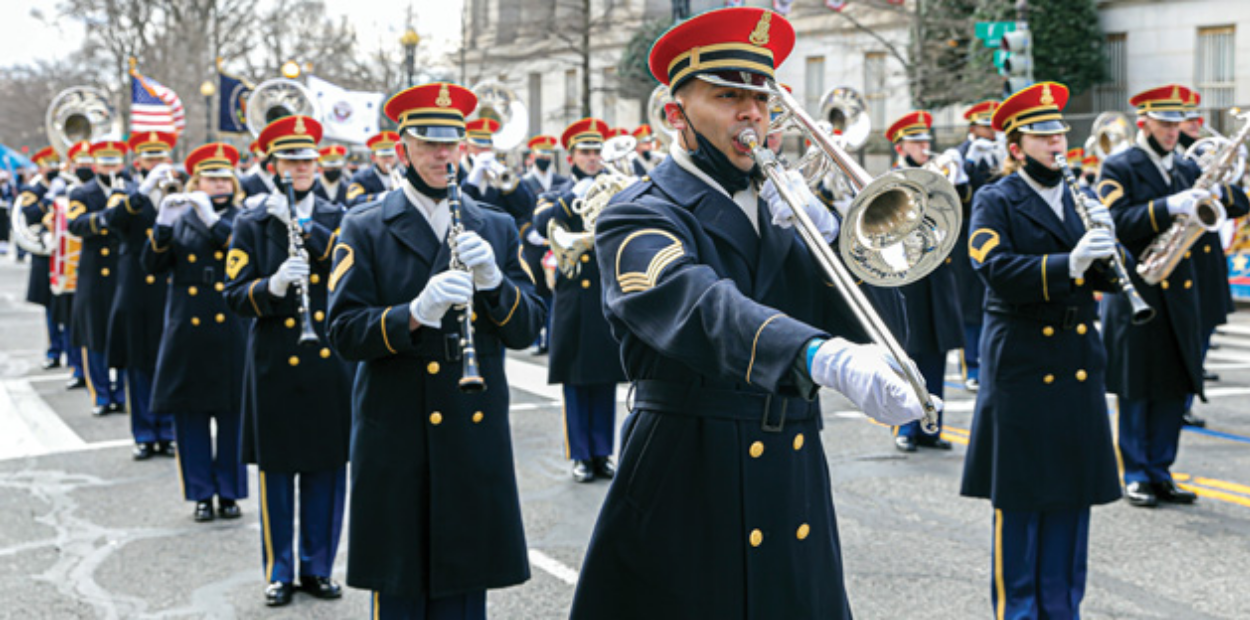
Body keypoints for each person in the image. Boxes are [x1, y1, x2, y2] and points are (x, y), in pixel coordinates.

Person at [570, 8, 927, 618]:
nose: (753, 115)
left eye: (762, 98)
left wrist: (838, 238)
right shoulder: (639, 213)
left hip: (791, 472)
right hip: (689, 470)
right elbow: (699, 307)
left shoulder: (786, 206)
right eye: (728, 96)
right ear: (677, 116)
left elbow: (883, 326)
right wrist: (820, 354)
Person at [327, 80, 545, 620]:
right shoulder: (364, 225)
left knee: (464, 589)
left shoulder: (493, 224)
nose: (442, 155)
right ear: (403, 148)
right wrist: (413, 314)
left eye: (451, 142)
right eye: (428, 143)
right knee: (400, 591)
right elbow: (344, 331)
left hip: (470, 433)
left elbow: (529, 328)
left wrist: (496, 282)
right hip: (396, 430)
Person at [961, 81, 1123, 619]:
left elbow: (1109, 274)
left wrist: (1109, 251)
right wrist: (1068, 265)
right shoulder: (995, 198)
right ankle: (1021, 611)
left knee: (1073, 499)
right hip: (1024, 363)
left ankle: (1063, 608)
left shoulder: (1087, 194)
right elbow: (995, 270)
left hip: (1077, 360)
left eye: (1059, 132)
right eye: (1042, 134)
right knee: (1024, 500)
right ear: (1015, 147)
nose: (1057, 142)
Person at [1096, 84, 1248, 507]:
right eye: (1163, 123)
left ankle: (1161, 469)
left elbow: (1238, 204)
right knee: (1137, 386)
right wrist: (1170, 206)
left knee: (1173, 385)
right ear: (1143, 121)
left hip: (1180, 295)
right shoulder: (1119, 165)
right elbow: (1116, 221)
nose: (1170, 130)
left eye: (1175, 123)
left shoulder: (1184, 166)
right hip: (1138, 291)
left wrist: (1218, 191)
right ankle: (1137, 472)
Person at [223, 114, 352, 606]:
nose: (300, 168)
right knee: (277, 472)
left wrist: (305, 228)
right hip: (276, 359)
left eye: (306, 160)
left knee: (325, 468)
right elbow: (234, 294)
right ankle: (279, 568)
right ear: (271, 164)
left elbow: (348, 270)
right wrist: (271, 286)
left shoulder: (342, 217)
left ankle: (318, 566)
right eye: (289, 160)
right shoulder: (251, 222)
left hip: (327, 361)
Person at [142, 142, 249, 522]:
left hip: (230, 321)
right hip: (188, 323)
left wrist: (213, 221)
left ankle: (231, 491)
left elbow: (245, 252)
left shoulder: (245, 215)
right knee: (191, 416)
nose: (218, 184)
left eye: (224, 177)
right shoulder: (182, 215)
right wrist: (162, 227)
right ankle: (202, 492)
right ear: (196, 181)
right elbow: (152, 266)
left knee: (232, 413)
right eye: (210, 178)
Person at [532, 117, 628, 482]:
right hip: (573, 298)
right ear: (571, 156)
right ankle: (581, 455)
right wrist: (574, 199)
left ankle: (603, 452)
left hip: (604, 296)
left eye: (596, 152)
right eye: (585, 152)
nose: (592, 158)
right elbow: (542, 225)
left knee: (604, 380)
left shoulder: (615, 190)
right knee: (576, 382)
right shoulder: (554, 194)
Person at [887, 110, 964, 452]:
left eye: (927, 142)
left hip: (937, 276)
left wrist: (956, 184)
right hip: (907, 277)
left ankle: (931, 427)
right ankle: (905, 428)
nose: (925, 148)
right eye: (917, 142)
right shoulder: (891, 179)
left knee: (936, 353)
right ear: (901, 146)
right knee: (909, 355)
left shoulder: (937, 179)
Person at [109, 131, 178, 459]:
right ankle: (144, 431)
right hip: (136, 283)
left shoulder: (179, 190)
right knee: (139, 361)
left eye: (162, 158)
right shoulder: (124, 189)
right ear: (138, 163)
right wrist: (142, 191)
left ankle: (167, 429)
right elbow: (114, 221)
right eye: (150, 159)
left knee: (168, 359)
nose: (158, 164)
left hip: (169, 283)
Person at [1178, 90, 1237, 429]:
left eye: (1193, 120)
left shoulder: (1205, 162)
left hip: (1208, 266)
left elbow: (1240, 204)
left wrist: (1222, 182)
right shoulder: (1179, 165)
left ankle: (1187, 400)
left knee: (1200, 339)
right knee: (1185, 342)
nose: (1194, 127)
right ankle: (1180, 402)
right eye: (1188, 121)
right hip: (1184, 265)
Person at [66, 140, 127, 417]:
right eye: (105, 163)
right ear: (95, 165)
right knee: (95, 335)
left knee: (125, 335)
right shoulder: (81, 192)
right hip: (94, 272)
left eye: (114, 163)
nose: (110, 168)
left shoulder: (130, 189)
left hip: (123, 269)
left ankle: (122, 393)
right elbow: (76, 225)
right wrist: (107, 215)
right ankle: (102, 395)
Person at [952, 99, 1000, 392]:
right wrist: (966, 166)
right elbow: (957, 199)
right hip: (965, 239)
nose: (990, 132)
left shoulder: (1001, 154)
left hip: (996, 236)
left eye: (992, 126)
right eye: (985, 126)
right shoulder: (959, 155)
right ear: (973, 127)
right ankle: (971, 366)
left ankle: (991, 363)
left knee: (992, 301)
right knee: (969, 307)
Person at [519, 135, 567, 354]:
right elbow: (519, 213)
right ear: (532, 156)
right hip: (534, 245)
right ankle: (537, 336)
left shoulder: (560, 180)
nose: (545, 157)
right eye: (541, 153)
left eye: (548, 153)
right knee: (538, 291)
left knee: (555, 292)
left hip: (557, 243)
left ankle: (552, 336)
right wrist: (529, 233)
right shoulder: (524, 181)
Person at [347, 131, 400, 206]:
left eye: (391, 155)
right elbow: (352, 200)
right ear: (373, 158)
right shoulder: (360, 177)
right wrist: (379, 197)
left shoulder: (404, 175)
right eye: (383, 156)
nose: (387, 159)